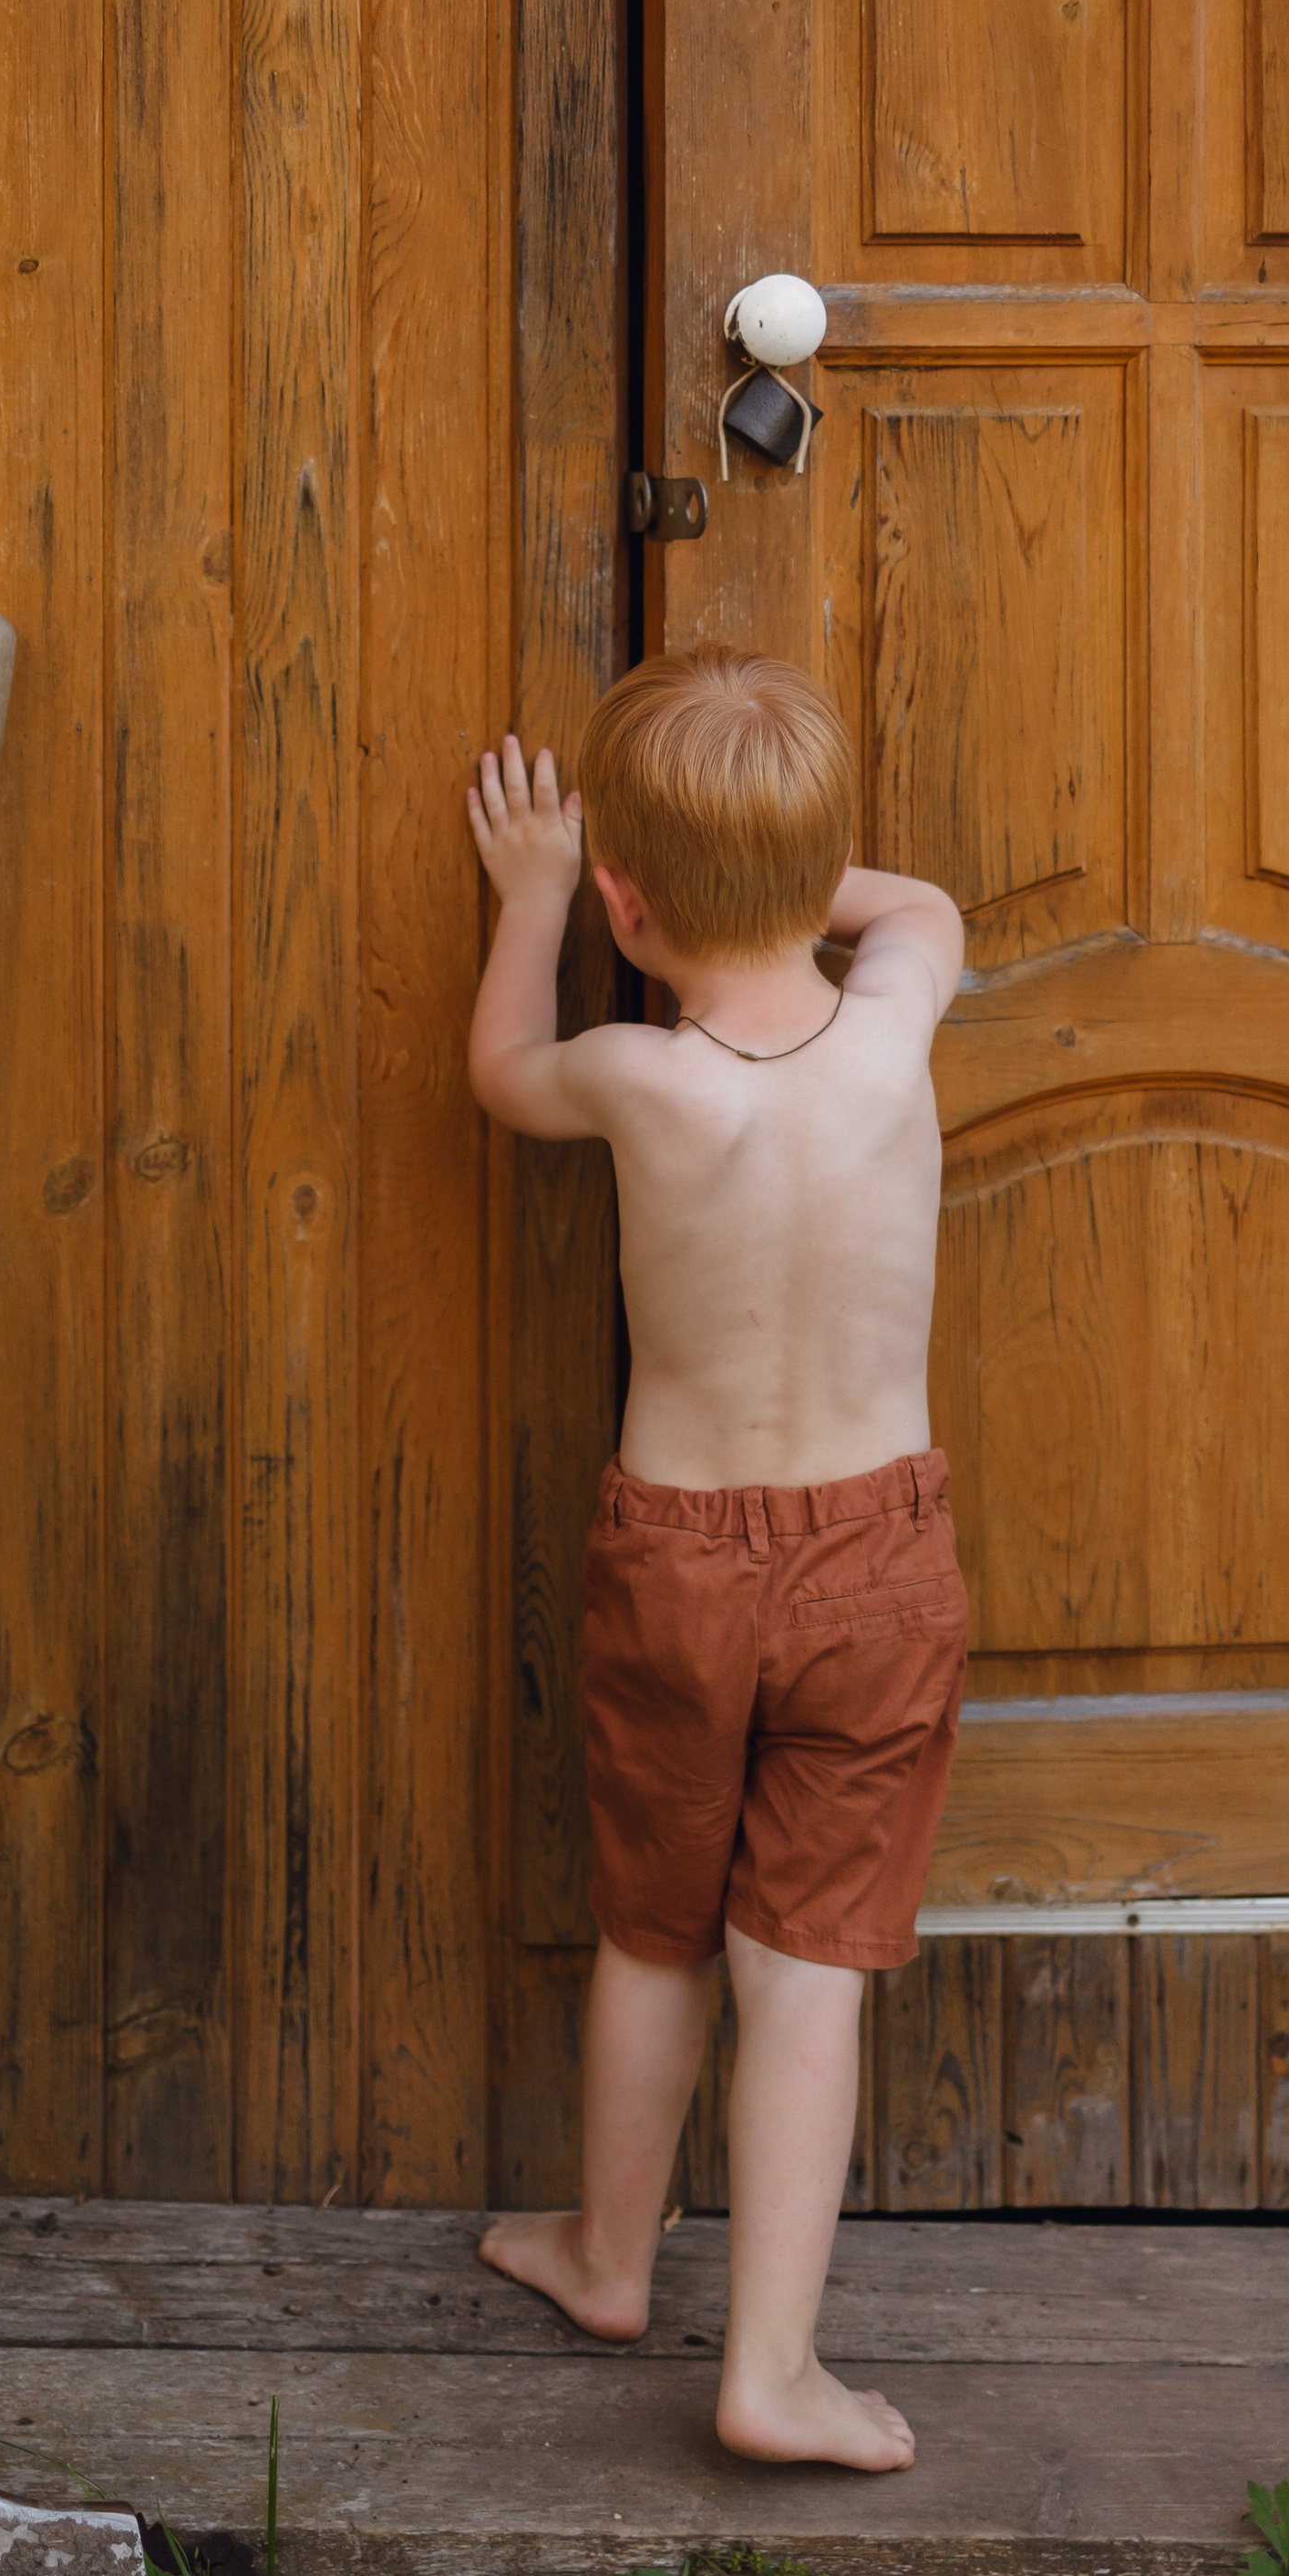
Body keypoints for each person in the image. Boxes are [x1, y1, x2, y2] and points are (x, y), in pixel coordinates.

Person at [464, 645, 966, 2472]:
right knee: (802, 1968)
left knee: (652, 1932)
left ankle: (608, 2256)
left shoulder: (630, 1078)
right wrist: (777, 865)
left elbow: (499, 1071)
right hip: (873, 1556)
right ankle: (768, 2368)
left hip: (674, 1560)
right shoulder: (897, 1018)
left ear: (622, 900)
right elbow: (917, 902)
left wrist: (533, 903)